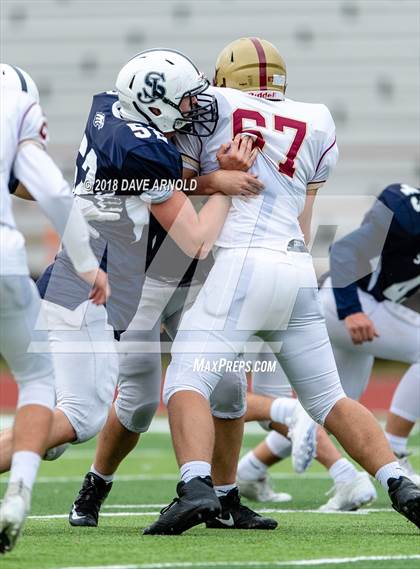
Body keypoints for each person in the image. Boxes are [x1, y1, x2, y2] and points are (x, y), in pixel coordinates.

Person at [144, 38, 420, 535]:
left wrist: (214, 180)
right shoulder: (317, 117)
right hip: (294, 265)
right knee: (331, 399)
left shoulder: (212, 105)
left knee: (185, 380)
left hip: (237, 265)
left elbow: (174, 184)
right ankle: (401, 481)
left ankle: (196, 487)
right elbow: (305, 215)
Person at [0, 64, 108, 553]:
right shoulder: (15, 89)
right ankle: (18, 491)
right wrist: (86, 264)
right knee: (39, 382)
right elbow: (52, 189)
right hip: (5, 258)